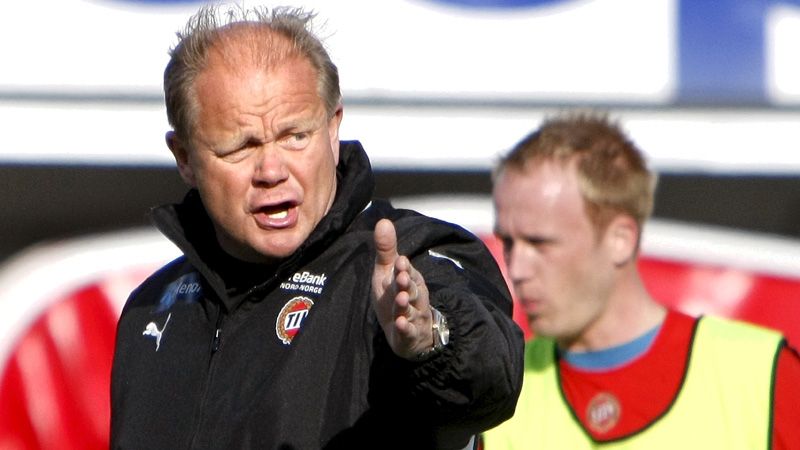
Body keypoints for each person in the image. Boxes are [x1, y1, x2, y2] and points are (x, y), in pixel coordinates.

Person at [109, 5, 524, 450]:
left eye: (295, 136)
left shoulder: (404, 261)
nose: (272, 171)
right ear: (185, 158)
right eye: (240, 147)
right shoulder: (151, 308)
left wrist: (432, 338)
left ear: (332, 128)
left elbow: (491, 376)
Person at [483, 112, 800, 449]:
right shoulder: (494, 391)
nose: (517, 269)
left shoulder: (763, 374)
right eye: (508, 243)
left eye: (540, 243)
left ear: (620, 239)